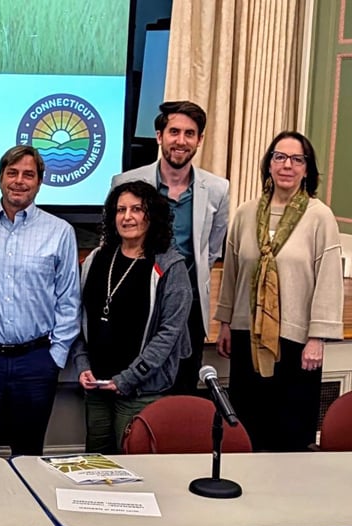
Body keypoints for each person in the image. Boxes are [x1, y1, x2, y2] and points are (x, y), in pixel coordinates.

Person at [215, 132, 343, 451]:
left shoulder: (319, 216)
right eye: (280, 157)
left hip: (297, 344)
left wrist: (318, 338)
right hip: (247, 338)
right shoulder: (245, 214)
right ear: (269, 164)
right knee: (248, 426)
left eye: (296, 159)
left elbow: (328, 279)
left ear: (307, 168)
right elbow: (232, 271)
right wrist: (226, 322)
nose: (287, 165)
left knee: (290, 431)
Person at [0, 145, 80, 456]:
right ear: (0, 178)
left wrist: (55, 356)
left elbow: (68, 298)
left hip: (36, 360)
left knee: (29, 452)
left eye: (28, 175)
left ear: (40, 182)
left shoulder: (60, 232)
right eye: (12, 173)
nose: (19, 181)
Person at [112, 101, 229, 395]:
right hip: (138, 304)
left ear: (199, 140)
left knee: (182, 392)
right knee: (136, 389)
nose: (181, 141)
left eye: (189, 134)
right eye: (174, 131)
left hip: (187, 311)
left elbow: (210, 251)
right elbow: (114, 243)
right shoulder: (127, 182)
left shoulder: (218, 189)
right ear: (159, 136)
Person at [72, 181, 192, 453]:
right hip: (97, 386)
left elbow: (168, 334)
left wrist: (127, 379)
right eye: (120, 209)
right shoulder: (96, 259)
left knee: (135, 465)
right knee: (98, 466)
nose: (127, 217)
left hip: (141, 390)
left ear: (153, 216)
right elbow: (79, 318)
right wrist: (82, 365)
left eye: (137, 209)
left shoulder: (170, 266)